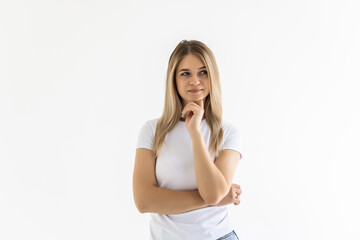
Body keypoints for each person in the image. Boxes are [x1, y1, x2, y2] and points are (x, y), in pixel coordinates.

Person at [133, 39, 243, 240]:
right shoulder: (152, 131)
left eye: (203, 72)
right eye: (185, 73)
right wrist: (217, 199)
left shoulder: (227, 133)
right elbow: (144, 201)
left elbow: (212, 193)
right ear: (173, 79)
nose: (195, 80)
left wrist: (196, 133)